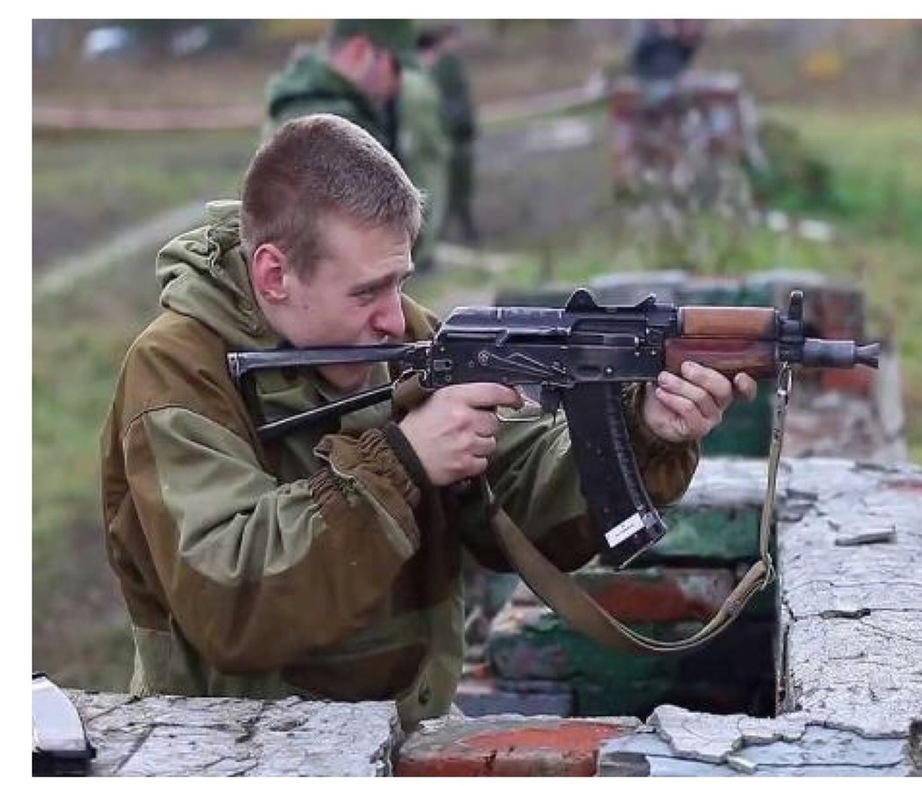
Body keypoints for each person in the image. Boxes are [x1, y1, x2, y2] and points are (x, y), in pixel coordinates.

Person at [99, 114, 756, 732]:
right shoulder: (177, 372)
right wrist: (402, 461)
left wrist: (643, 428)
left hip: (405, 729)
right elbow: (233, 601)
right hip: (246, 748)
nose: (394, 316)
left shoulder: (399, 334)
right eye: (366, 292)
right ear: (274, 273)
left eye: (398, 282)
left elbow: (516, 495)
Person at [263, 19, 448, 273]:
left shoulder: (311, 104)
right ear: (361, 50)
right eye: (394, 67)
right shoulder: (327, 122)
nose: (397, 82)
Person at [419, 24, 479, 244]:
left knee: (460, 186)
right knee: (448, 186)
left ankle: (458, 229)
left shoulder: (451, 64)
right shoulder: (444, 66)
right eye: (452, 39)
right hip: (452, 136)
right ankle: (440, 235)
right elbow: (446, 103)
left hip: (459, 134)